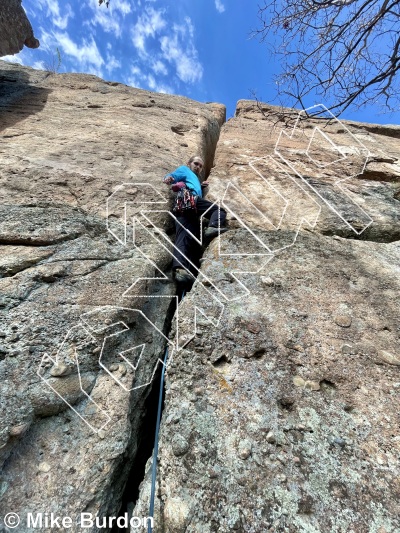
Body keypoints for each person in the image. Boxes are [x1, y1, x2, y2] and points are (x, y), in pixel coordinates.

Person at [163, 155, 227, 284]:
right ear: (189, 163)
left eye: (200, 166)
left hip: (185, 209)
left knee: (185, 238)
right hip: (190, 200)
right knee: (219, 211)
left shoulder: (196, 179)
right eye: (196, 164)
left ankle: (180, 270)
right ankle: (213, 226)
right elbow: (172, 176)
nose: (198, 167)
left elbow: (191, 185)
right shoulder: (185, 170)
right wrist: (168, 178)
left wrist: (201, 186)